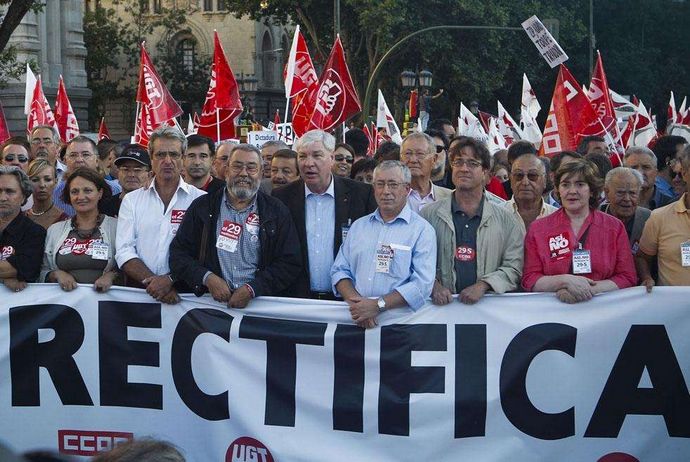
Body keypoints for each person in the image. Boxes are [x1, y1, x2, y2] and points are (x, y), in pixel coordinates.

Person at [170, 144, 301, 307]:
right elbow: (178, 254)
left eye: (251, 168)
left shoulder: (276, 211)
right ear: (226, 172)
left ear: (261, 173)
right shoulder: (202, 207)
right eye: (237, 166)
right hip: (210, 307)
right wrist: (207, 278)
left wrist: (252, 289)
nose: (243, 173)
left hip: (260, 306)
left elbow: (289, 263)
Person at [272, 129, 376, 299]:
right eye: (302, 156)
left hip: (347, 300)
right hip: (297, 300)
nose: (308, 163)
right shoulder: (282, 197)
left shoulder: (361, 194)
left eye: (317, 155)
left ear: (332, 158)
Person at [420, 137, 524, 305]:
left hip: (489, 315)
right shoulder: (428, 216)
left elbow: (514, 267)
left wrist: (484, 285)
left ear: (486, 174)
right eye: (458, 162)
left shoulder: (506, 220)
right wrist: (433, 285)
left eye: (473, 163)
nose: (464, 169)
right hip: (439, 314)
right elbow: (415, 262)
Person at [332, 161, 435, 328]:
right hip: (357, 322)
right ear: (374, 189)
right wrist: (359, 306)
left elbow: (421, 285)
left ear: (407, 189)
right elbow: (339, 270)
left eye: (393, 184)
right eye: (380, 184)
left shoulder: (422, 230)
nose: (386, 191)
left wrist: (376, 306)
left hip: (399, 326)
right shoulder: (358, 227)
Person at [522, 159, 637, 303]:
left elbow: (627, 277)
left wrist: (588, 290)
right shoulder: (538, 229)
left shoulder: (614, 227)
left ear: (592, 190)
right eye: (565, 185)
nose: (572, 191)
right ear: (558, 190)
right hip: (553, 313)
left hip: (604, 313)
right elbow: (529, 279)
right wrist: (564, 282)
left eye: (580, 184)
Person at [116, 127, 206, 303]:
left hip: (187, 296)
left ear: (183, 157)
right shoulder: (132, 201)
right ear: (151, 158)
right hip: (140, 294)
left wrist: (170, 280)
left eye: (173, 154)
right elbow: (124, 251)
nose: (167, 161)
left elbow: (203, 253)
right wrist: (155, 283)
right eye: (160, 155)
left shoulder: (201, 200)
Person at [40, 168, 119, 292]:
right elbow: (42, 271)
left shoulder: (116, 227)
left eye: (87, 190)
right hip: (65, 306)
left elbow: (127, 266)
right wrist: (56, 274)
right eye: (75, 192)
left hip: (105, 306)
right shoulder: (54, 230)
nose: (81, 197)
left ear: (100, 193)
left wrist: (112, 276)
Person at [636, 145, 690, 289]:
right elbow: (642, 257)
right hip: (672, 309)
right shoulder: (659, 217)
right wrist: (647, 278)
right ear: (684, 174)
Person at [0, 166, 46, 291]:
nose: (2, 198)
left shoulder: (35, 232)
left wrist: (10, 272)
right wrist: (5, 277)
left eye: (9, 191)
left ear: (24, 197)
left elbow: (25, 268)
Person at [53, 135, 121, 216]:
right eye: (73, 155)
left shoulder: (116, 190)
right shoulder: (55, 194)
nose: (79, 160)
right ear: (65, 160)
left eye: (85, 154)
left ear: (96, 160)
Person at [504, 152, 556, 232]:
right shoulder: (495, 214)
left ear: (544, 180)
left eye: (532, 176)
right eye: (519, 175)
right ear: (511, 180)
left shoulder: (557, 216)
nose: (525, 182)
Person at [401, 132, 452, 213]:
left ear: (434, 159)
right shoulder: (390, 196)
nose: (413, 160)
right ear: (400, 159)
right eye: (408, 154)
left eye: (420, 154)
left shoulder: (449, 197)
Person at [601, 167, 650, 252]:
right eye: (620, 193)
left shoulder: (649, 219)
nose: (627, 199)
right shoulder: (593, 218)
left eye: (632, 193)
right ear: (606, 193)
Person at [100, 144, 152, 217]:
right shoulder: (104, 207)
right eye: (125, 169)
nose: (131, 174)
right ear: (118, 173)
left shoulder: (156, 205)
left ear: (149, 175)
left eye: (137, 170)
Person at [25, 159, 68, 229]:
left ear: (56, 182)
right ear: (28, 182)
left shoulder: (64, 221)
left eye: (47, 179)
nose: (42, 185)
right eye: (35, 180)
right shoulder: (21, 216)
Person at [652, 135, 687, 200]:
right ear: (668, 161)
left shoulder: (679, 188)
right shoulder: (657, 193)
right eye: (682, 159)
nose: (685, 163)